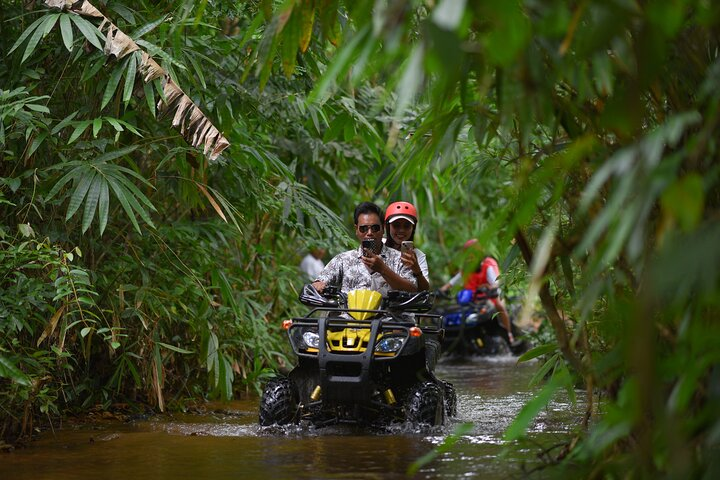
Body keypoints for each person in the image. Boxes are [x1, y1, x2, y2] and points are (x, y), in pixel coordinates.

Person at [311, 202, 417, 295]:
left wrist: (383, 269)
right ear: (356, 230)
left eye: (375, 228)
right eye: (364, 228)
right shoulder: (343, 260)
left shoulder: (399, 259)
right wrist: (318, 284)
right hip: (349, 317)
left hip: (388, 317)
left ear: (383, 228)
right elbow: (319, 282)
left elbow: (413, 290)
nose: (369, 233)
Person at [439, 239, 515, 343]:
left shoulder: (488, 265)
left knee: (500, 306)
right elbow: (451, 283)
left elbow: (495, 282)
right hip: (473, 300)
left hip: (489, 297)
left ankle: (509, 334)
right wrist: (441, 291)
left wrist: (491, 287)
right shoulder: (466, 269)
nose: (470, 256)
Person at [384, 201, 430, 291]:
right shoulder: (379, 247)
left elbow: (424, 291)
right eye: (396, 225)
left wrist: (417, 270)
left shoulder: (418, 255)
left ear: (413, 228)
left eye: (407, 226)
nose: (401, 230)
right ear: (387, 226)